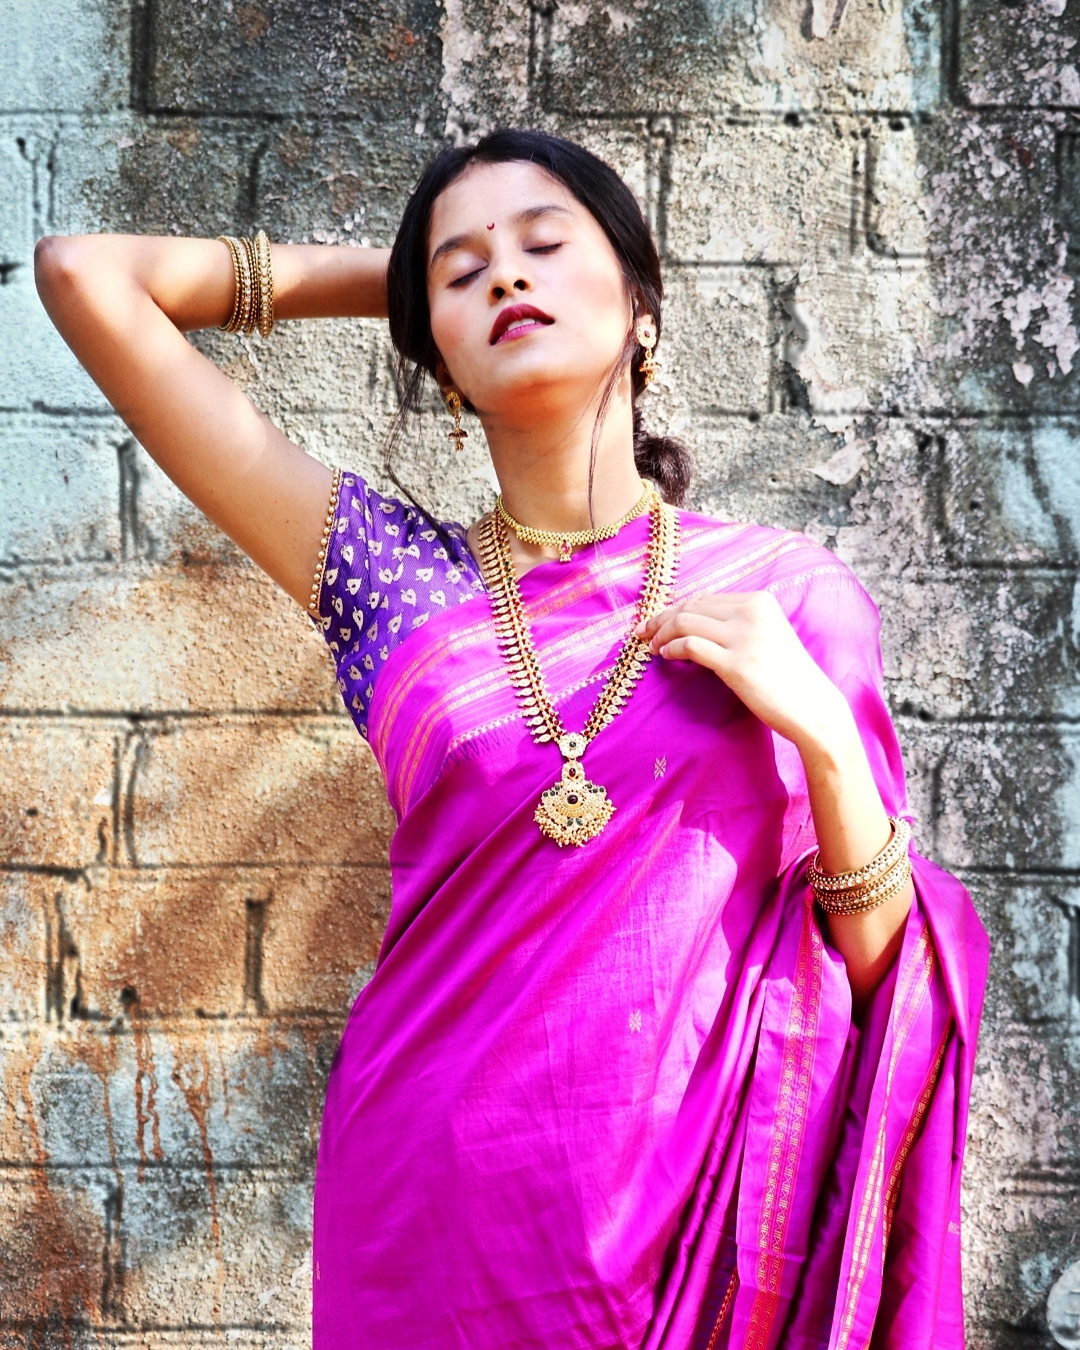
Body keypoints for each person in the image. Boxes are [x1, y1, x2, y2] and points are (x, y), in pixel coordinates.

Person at [35, 129, 988, 1350]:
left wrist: (826, 741)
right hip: (434, 1212)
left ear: (641, 305)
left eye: (545, 244)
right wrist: (397, 285)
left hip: (702, 1223)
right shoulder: (393, 582)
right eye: (463, 270)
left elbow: (878, 973)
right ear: (436, 351)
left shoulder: (785, 598)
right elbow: (88, 276)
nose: (506, 277)